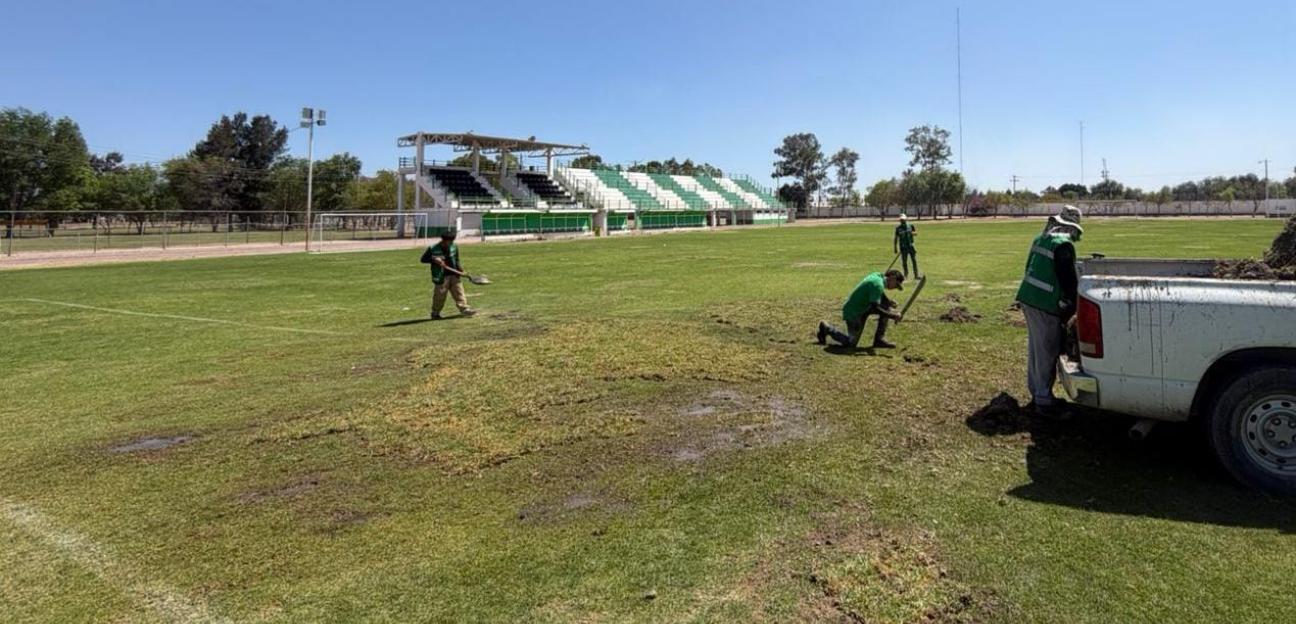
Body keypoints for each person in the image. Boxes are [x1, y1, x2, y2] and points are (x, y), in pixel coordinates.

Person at [1015, 206, 1083, 418]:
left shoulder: (1040, 238)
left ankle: (1037, 392)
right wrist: (1072, 305)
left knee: (1036, 350)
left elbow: (1029, 268)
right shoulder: (1062, 245)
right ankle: (1044, 401)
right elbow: (1069, 282)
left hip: (1029, 298)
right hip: (1045, 304)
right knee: (1047, 351)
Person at [817, 269, 906, 349]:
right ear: (892, 278)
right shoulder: (878, 285)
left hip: (862, 308)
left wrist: (888, 301)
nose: (895, 288)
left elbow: (878, 292)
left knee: (887, 308)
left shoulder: (877, 276)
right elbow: (875, 307)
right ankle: (827, 328)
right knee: (850, 343)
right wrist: (893, 316)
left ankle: (879, 340)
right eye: (896, 285)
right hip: (854, 313)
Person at [420, 229, 477, 319]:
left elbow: (457, 259)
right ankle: (435, 313)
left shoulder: (454, 246)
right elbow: (423, 259)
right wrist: (434, 260)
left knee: (459, 293)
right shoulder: (433, 248)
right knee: (440, 296)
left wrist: (461, 271)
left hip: (454, 275)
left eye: (451, 241)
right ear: (443, 240)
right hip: (441, 276)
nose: (449, 243)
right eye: (448, 241)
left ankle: (465, 309)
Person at [894, 214, 918, 278]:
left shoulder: (910, 226)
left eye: (903, 220)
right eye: (901, 220)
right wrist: (895, 248)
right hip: (903, 247)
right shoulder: (898, 228)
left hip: (911, 246)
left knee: (914, 261)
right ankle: (906, 275)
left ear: (906, 219)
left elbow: (916, 233)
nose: (902, 221)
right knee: (904, 262)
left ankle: (916, 275)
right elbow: (896, 238)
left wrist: (911, 233)